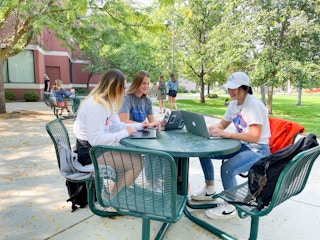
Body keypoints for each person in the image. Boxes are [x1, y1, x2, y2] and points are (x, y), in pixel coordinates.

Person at [191, 72, 271, 220]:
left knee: (228, 168)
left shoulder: (253, 105)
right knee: (203, 151)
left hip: (258, 150)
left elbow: (255, 137)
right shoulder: (234, 104)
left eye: (234, 88)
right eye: (229, 88)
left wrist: (227, 134)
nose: (230, 91)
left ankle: (230, 206)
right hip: (242, 145)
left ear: (244, 88)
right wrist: (212, 129)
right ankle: (209, 189)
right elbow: (222, 124)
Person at [73, 69, 147, 201]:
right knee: (137, 163)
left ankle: (115, 193)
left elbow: (116, 126)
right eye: (122, 87)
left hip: (96, 150)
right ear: (113, 87)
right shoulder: (97, 105)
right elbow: (96, 139)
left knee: (134, 157)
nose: (124, 91)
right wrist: (124, 133)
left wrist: (142, 126)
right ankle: (116, 198)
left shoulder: (106, 103)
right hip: (89, 153)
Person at [119, 70, 163, 192]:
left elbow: (151, 120)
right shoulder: (126, 98)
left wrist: (157, 123)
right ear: (136, 83)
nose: (146, 86)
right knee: (152, 149)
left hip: (141, 134)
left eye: (148, 83)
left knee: (158, 147)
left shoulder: (147, 100)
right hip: (127, 135)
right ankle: (151, 179)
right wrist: (143, 125)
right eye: (143, 83)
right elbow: (124, 121)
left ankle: (153, 179)